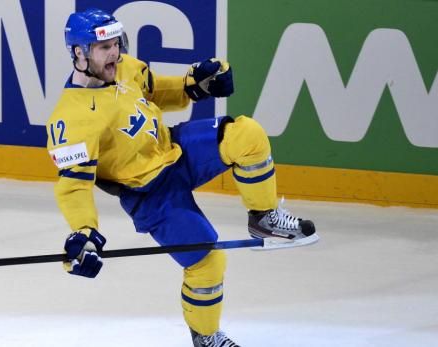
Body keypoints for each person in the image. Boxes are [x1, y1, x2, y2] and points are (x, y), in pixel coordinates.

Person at [46, 8, 315, 347]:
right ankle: (206, 335)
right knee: (207, 261)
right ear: (78, 54)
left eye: (115, 42)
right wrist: (84, 231)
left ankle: (264, 217)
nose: (114, 52)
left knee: (247, 134)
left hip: (175, 150)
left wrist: (195, 86)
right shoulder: (70, 119)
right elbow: (73, 187)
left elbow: (156, 91)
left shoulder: (125, 67)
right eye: (104, 47)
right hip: (150, 195)